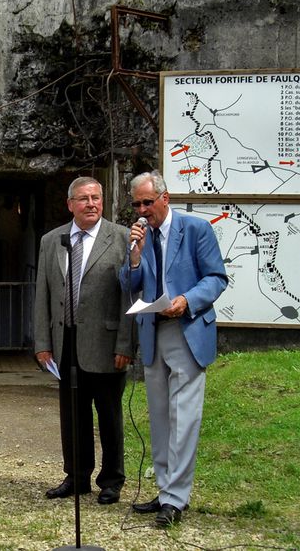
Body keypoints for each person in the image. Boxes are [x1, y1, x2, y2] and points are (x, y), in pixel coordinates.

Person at [119, 171, 227, 528]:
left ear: (166, 198)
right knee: (161, 417)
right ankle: (165, 489)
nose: (142, 210)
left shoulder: (196, 229)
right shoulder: (141, 237)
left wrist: (186, 299)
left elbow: (215, 278)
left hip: (187, 328)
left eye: (148, 202)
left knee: (184, 417)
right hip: (153, 331)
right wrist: (133, 255)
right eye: (136, 204)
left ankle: (176, 498)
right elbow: (127, 283)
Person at [34, 176, 135, 505]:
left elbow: (129, 297)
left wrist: (125, 344)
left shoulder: (120, 238)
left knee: (109, 415)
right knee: (72, 415)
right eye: (83, 199)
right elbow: (43, 295)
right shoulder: (52, 241)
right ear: (70, 204)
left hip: (105, 344)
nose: (91, 204)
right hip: (66, 341)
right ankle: (76, 476)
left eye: (96, 198)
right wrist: (42, 341)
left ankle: (111, 480)